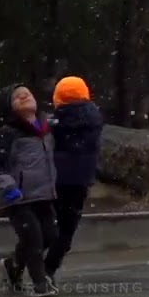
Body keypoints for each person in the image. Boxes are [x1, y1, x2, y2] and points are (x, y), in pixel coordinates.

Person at [0, 84, 59, 296]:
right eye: (17, 97)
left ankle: (13, 267)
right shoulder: (8, 133)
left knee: (50, 236)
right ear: (9, 107)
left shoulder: (46, 129)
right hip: (18, 198)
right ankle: (40, 283)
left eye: (27, 94)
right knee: (34, 239)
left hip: (44, 195)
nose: (24, 97)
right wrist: (9, 187)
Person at [44, 76, 104, 281]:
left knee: (44, 227)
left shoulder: (56, 122)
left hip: (53, 180)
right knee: (66, 229)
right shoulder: (94, 120)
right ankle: (48, 270)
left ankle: (21, 265)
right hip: (79, 181)